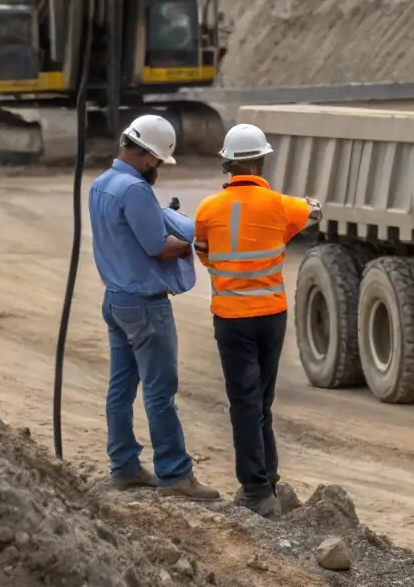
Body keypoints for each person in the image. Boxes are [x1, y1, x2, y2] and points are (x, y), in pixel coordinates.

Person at [88, 113, 219, 502]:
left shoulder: (100, 184)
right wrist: (189, 243)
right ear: (147, 155)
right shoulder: (134, 189)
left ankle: (125, 468)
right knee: (160, 392)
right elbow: (157, 247)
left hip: (115, 300)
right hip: (145, 306)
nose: (158, 168)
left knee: (121, 388)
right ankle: (175, 473)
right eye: (158, 162)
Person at [194, 124, 320, 516]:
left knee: (245, 404)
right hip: (271, 317)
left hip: (232, 318)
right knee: (261, 403)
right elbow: (309, 213)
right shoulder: (282, 205)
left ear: (228, 165)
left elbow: (205, 254)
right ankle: (268, 480)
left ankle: (255, 490)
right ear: (261, 161)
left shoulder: (207, 210)